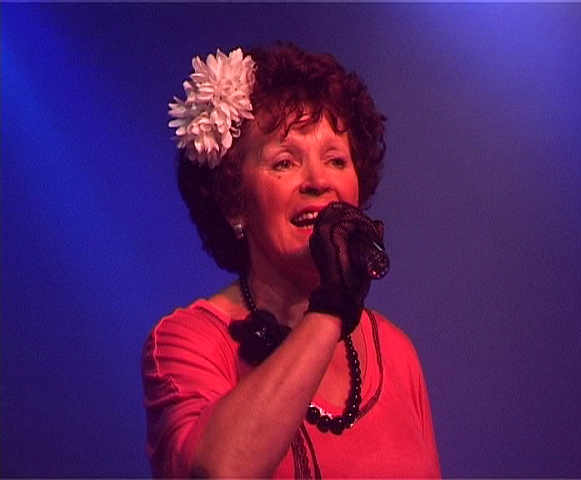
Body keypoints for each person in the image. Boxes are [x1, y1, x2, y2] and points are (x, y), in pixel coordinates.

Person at [142, 43, 441, 478]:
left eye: (336, 160)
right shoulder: (187, 342)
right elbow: (221, 471)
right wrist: (331, 310)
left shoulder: (395, 352)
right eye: (285, 162)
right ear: (234, 202)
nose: (318, 181)